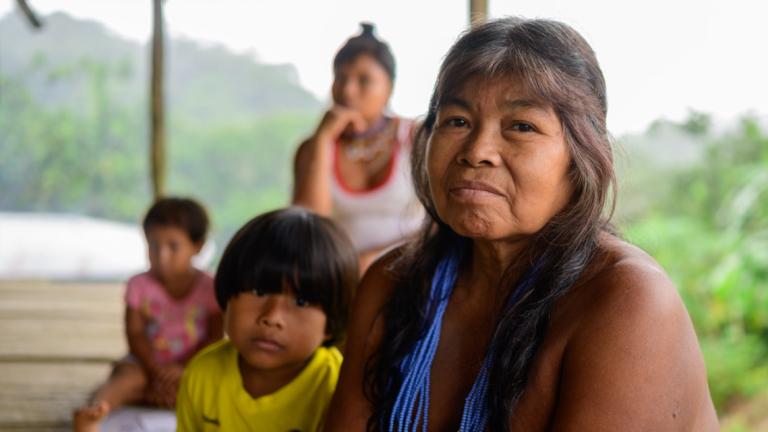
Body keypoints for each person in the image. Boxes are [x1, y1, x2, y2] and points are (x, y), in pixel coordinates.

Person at [325, 17, 719, 432]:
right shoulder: (391, 284)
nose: (477, 151)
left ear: (581, 158)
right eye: (457, 120)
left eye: (522, 127)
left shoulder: (629, 304)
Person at [175, 207, 358, 432]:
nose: (272, 318)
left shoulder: (337, 389)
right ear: (227, 293)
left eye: (300, 302)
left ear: (331, 322)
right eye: (260, 292)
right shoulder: (201, 375)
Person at [73, 198, 224, 432]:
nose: (162, 256)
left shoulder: (210, 287)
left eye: (173, 246)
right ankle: (96, 411)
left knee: (215, 381)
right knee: (127, 378)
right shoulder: (139, 285)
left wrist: (183, 369)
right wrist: (154, 369)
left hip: (193, 366)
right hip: (145, 364)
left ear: (199, 245)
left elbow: (215, 336)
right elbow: (134, 333)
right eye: (154, 245)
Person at [293, 23, 424, 275]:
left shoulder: (415, 138)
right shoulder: (312, 148)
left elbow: (442, 225)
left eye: (364, 80)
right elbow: (307, 228)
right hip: (338, 278)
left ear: (389, 88)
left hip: (412, 273)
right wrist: (322, 140)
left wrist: (377, 260)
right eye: (340, 78)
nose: (348, 91)